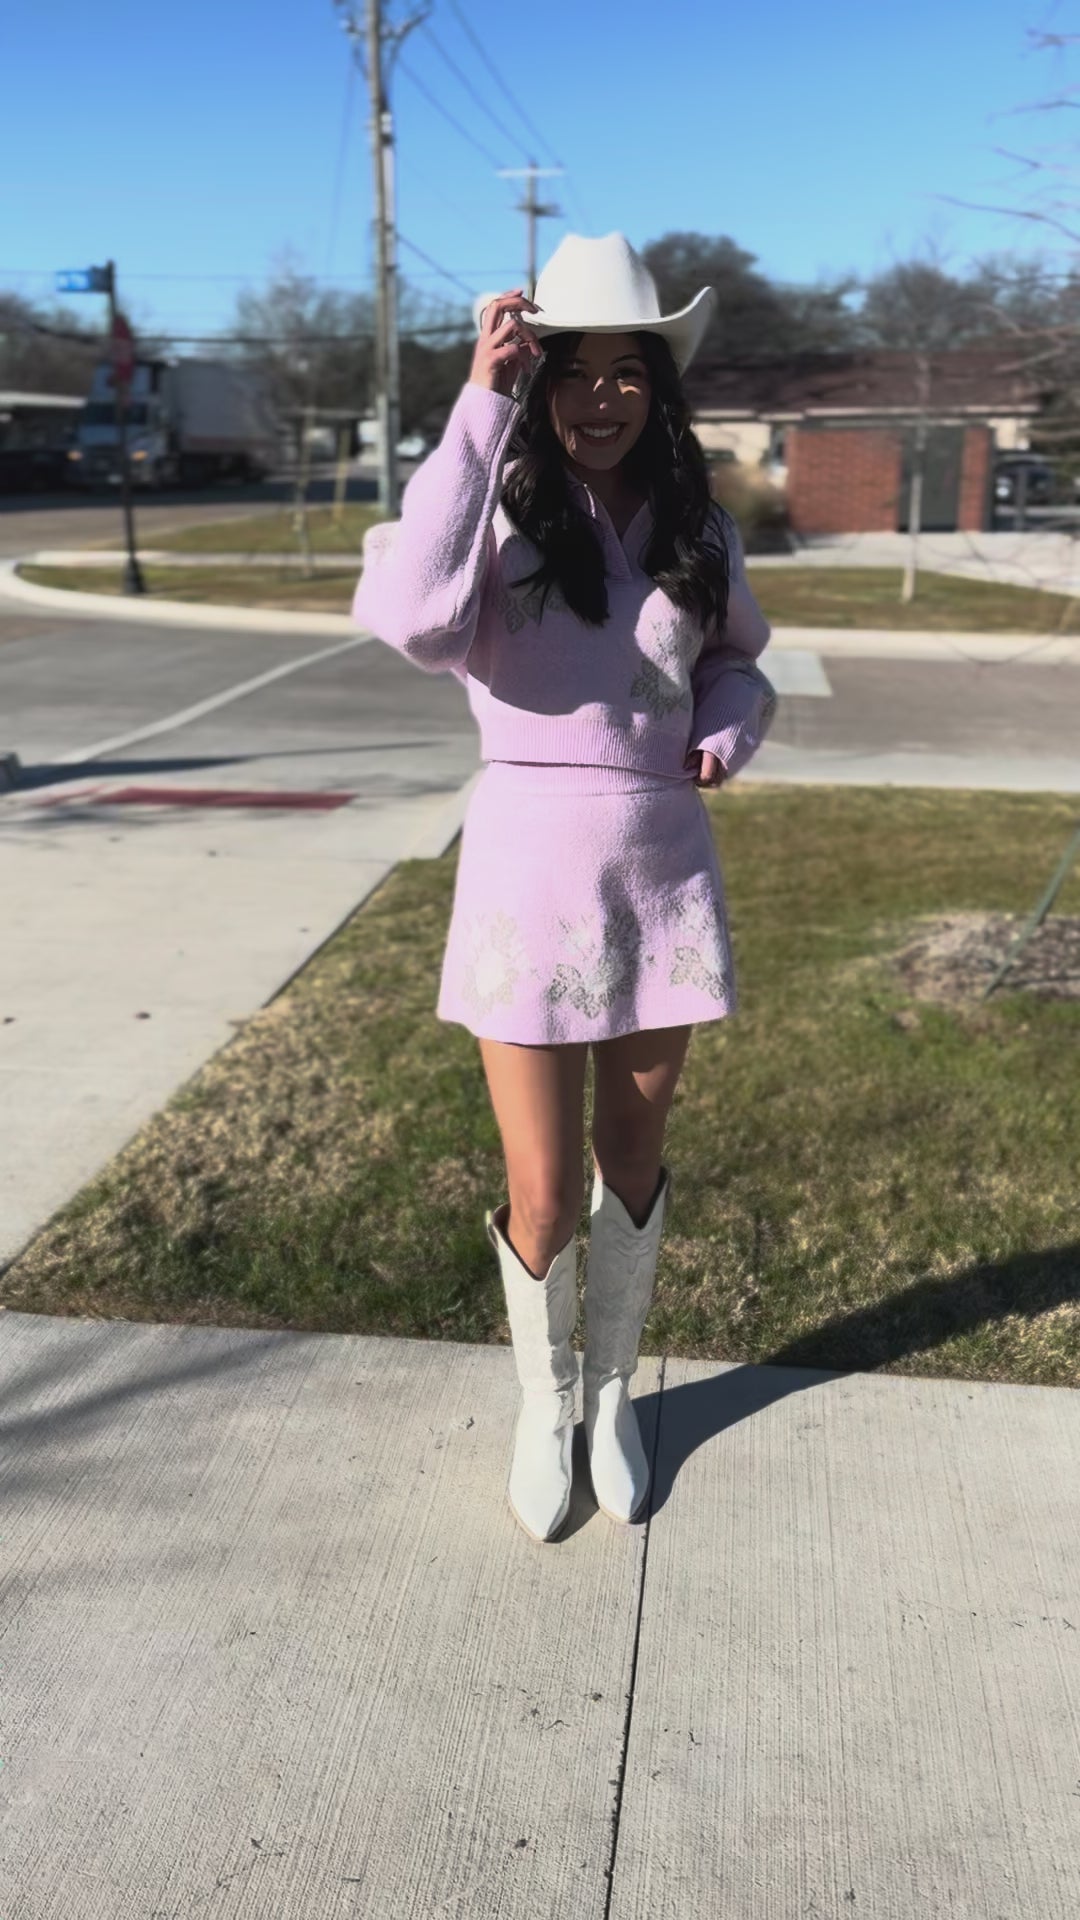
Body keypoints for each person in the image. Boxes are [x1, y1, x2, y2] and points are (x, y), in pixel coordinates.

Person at [352, 231, 776, 1546]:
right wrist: (477, 405)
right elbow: (415, 615)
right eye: (571, 371)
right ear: (536, 379)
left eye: (626, 372)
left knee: (631, 1159)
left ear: (658, 385)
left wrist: (729, 721)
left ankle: (615, 1395)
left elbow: (741, 662)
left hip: (658, 873)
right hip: (527, 878)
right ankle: (548, 1406)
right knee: (540, 1188)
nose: (600, 397)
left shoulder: (696, 519)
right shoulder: (493, 502)